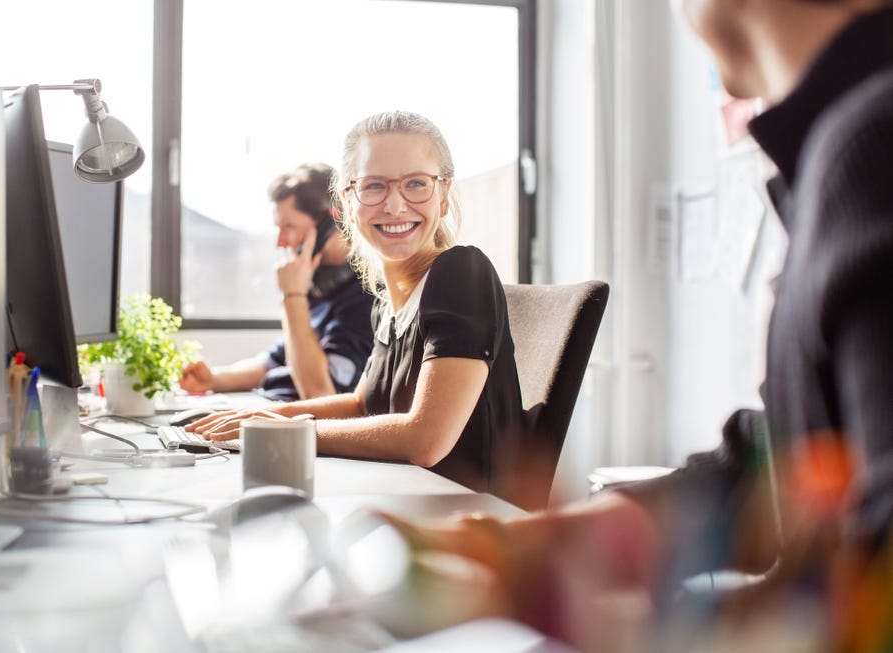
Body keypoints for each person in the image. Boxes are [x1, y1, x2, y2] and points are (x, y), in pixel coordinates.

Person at [367, 1, 893, 650]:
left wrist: (621, 628)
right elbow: (782, 454)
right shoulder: (837, 154)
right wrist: (529, 543)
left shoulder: (872, 148)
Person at [189, 111, 527, 496]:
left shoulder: (461, 272)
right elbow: (360, 403)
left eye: (416, 183)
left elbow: (426, 439)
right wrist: (266, 417)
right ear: (348, 203)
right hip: (398, 503)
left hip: (468, 526)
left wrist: (298, 430)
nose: (396, 206)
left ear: (444, 197)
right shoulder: (387, 301)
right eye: (374, 186)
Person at [179, 163, 374, 401]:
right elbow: (275, 361)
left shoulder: (368, 293)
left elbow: (320, 393)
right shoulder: (320, 284)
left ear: (331, 221)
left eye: (289, 227)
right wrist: (215, 379)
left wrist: (293, 296)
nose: (280, 243)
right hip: (274, 406)